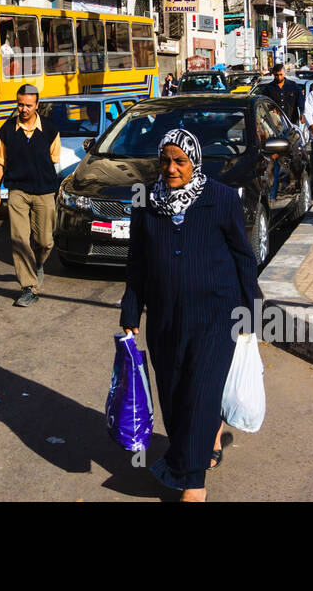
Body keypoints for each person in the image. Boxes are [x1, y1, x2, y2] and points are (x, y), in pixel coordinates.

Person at [120, 129, 261, 501]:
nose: (171, 168)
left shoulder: (221, 197)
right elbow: (137, 262)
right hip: (166, 316)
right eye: (165, 160)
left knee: (198, 391)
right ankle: (207, 433)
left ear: (194, 162)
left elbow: (243, 256)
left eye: (179, 161)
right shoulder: (146, 201)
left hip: (217, 314)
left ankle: (193, 485)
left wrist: (252, 308)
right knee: (174, 391)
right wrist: (131, 308)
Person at [0, 84, 61, 307]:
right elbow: (0, 162)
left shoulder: (50, 129)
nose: (23, 109)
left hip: (44, 191)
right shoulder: (8, 129)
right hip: (18, 191)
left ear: (37, 105)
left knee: (45, 241)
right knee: (19, 240)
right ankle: (28, 287)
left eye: (28, 105)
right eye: (20, 104)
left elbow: (55, 161)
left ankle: (37, 264)